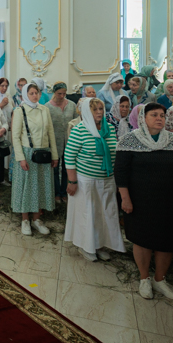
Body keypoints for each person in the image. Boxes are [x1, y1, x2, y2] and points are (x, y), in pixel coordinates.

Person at [116, 104, 173, 301]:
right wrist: (125, 198)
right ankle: (144, 278)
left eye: (162, 115)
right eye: (154, 115)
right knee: (142, 239)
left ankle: (160, 279)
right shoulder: (129, 140)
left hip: (170, 200)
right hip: (140, 201)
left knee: (166, 240)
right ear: (143, 117)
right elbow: (121, 174)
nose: (160, 118)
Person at [63, 98, 123, 262]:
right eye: (94, 110)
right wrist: (72, 181)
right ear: (87, 113)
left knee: (105, 213)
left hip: (107, 178)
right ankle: (85, 246)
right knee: (88, 214)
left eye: (101, 109)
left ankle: (100, 245)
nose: (99, 112)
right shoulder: (79, 130)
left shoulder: (109, 128)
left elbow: (114, 153)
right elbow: (69, 157)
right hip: (86, 180)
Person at [10, 80, 59, 236]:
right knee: (27, 187)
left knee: (40, 186)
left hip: (43, 153)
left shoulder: (44, 109)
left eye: (36, 93)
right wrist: (21, 158)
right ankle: (25, 220)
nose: (34, 96)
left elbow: (51, 133)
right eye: (31, 93)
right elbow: (15, 137)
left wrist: (55, 155)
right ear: (25, 94)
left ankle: (37, 219)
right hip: (27, 153)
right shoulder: (20, 111)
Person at [46, 83, 76, 200]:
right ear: (54, 93)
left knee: (66, 167)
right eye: (59, 93)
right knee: (54, 167)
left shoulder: (72, 105)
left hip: (69, 141)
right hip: (54, 142)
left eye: (64, 93)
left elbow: (75, 122)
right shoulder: (47, 107)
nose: (62, 96)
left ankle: (64, 192)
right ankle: (56, 193)